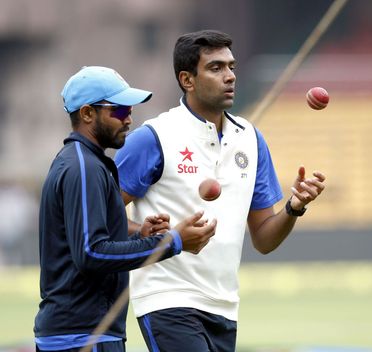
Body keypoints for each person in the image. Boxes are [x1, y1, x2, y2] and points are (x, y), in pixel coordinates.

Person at [114, 30, 326, 352]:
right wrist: (161, 236)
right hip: (167, 296)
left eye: (231, 66)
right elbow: (101, 214)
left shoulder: (251, 139)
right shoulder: (153, 137)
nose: (229, 77)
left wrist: (294, 207)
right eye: (216, 68)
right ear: (188, 80)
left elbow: (265, 239)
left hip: (225, 304)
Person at [34, 66, 217, 352]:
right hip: (83, 336)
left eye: (129, 109)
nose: (129, 118)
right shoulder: (84, 168)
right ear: (86, 114)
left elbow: (90, 246)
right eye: (118, 110)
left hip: (86, 333)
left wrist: (139, 237)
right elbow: (91, 253)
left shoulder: (87, 163)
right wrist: (173, 241)